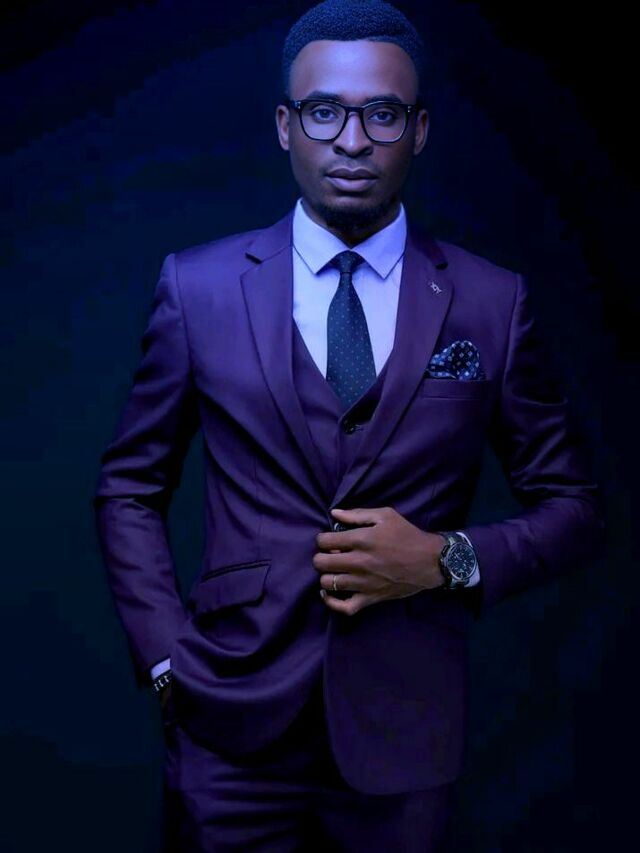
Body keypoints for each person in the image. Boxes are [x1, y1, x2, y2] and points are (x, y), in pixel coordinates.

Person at [92, 0, 606, 849]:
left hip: (405, 736)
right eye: (326, 112)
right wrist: (167, 660)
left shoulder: (490, 301)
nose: (354, 140)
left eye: (383, 114)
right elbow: (128, 488)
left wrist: (445, 558)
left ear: (420, 129)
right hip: (228, 726)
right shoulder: (198, 287)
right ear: (286, 127)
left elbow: (575, 508)